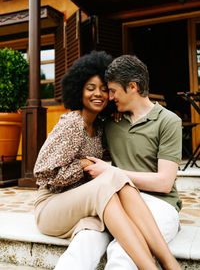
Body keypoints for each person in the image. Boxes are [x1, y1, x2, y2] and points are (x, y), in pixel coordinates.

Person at [55, 54, 183, 270]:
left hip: (159, 203)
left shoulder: (168, 121)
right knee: (83, 243)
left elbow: (164, 182)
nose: (110, 97)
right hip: (114, 202)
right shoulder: (110, 123)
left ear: (132, 86)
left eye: (113, 91)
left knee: (123, 253)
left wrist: (112, 171)